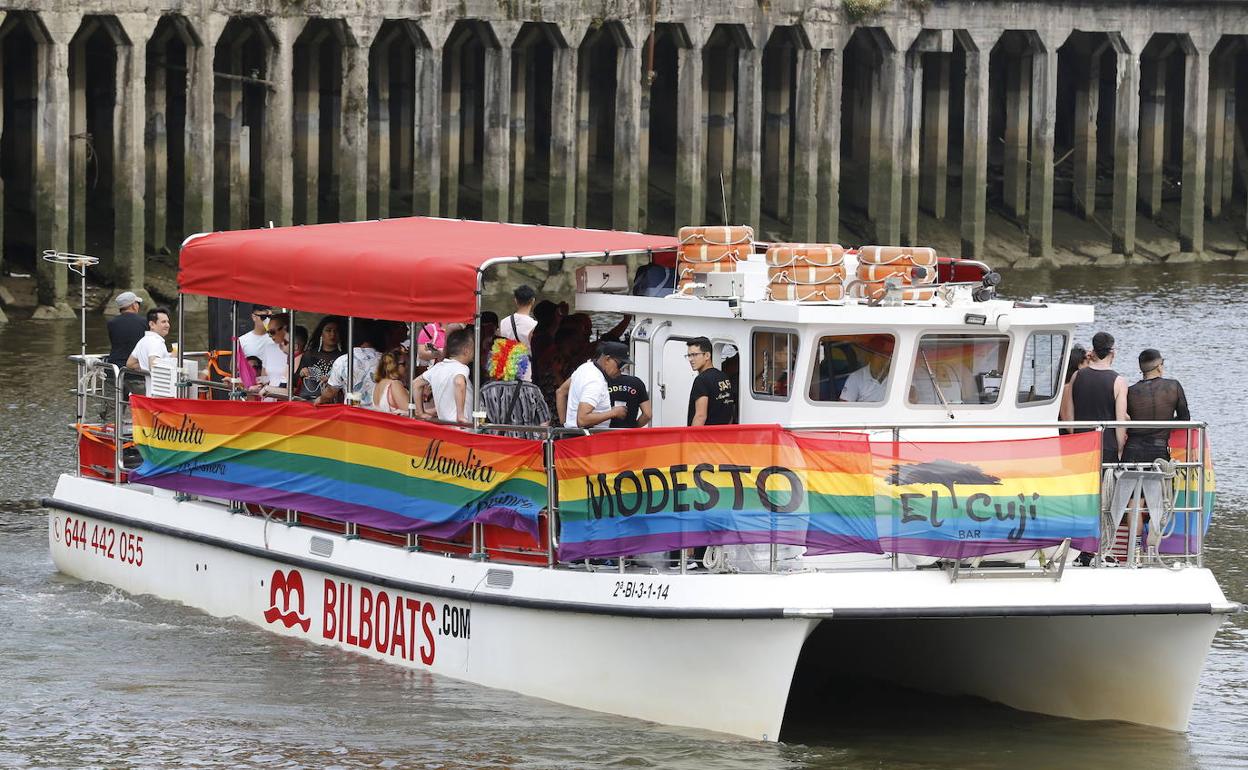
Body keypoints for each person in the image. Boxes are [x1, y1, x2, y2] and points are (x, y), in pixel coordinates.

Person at [1062, 330, 1128, 464]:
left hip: (1081, 441)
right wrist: (1120, 448)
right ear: (1112, 352)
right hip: (1107, 443)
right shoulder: (1119, 381)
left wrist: (1076, 433)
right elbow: (1120, 422)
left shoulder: (1077, 376)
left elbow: (1069, 417)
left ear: (1093, 351)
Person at [1123, 349, 1190, 464]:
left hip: (1132, 449)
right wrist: (1165, 423)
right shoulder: (1173, 386)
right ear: (1159, 367)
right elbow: (1184, 419)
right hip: (1159, 449)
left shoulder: (1130, 392)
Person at [479, 338, 550, 434]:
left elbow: (479, 422)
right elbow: (544, 422)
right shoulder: (533, 390)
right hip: (526, 446)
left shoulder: (485, 390)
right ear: (521, 362)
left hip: (496, 445)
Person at [561, 341, 629, 429]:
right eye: (620, 365)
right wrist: (614, 412)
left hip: (573, 435)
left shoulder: (585, 367)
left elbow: (561, 392)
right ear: (607, 359)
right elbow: (582, 420)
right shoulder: (596, 381)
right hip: (586, 438)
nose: (621, 371)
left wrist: (564, 427)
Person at [413, 328, 474, 424]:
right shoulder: (462, 368)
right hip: (462, 428)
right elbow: (459, 382)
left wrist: (421, 412)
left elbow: (416, 383)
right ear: (466, 351)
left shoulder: (438, 367)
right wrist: (460, 416)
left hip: (446, 426)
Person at [318, 321, 382, 406]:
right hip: (381, 414)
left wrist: (320, 400)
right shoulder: (386, 359)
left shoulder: (343, 361)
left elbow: (330, 392)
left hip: (354, 412)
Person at [686, 337, 736, 426]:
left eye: (695, 355)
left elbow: (700, 416)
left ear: (707, 355)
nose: (691, 359)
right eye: (689, 355)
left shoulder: (701, 380)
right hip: (722, 435)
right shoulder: (724, 377)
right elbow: (730, 411)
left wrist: (692, 437)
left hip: (704, 437)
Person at [295, 315, 344, 400]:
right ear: (321, 333)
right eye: (328, 330)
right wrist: (302, 373)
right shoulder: (309, 355)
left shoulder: (344, 358)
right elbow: (294, 381)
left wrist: (333, 380)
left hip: (335, 404)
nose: (332, 334)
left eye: (336, 331)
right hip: (310, 401)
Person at [126, 306, 172, 394]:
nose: (167, 325)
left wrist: (144, 366)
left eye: (167, 322)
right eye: (163, 322)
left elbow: (130, 363)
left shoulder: (143, 340)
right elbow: (154, 366)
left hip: (148, 389)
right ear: (152, 324)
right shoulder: (156, 342)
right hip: (160, 392)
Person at [839, 336, 893, 403]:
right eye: (881, 355)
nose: (885, 360)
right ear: (870, 356)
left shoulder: (896, 376)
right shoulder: (856, 377)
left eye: (888, 356)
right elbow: (844, 406)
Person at [106, 291, 146, 368]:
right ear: (133, 305)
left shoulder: (111, 323)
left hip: (115, 366)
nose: (138, 306)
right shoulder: (144, 322)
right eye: (137, 303)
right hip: (135, 366)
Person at [370, 349, 411, 415]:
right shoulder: (395, 384)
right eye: (403, 364)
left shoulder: (378, 384)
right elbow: (411, 411)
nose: (407, 367)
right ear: (394, 366)